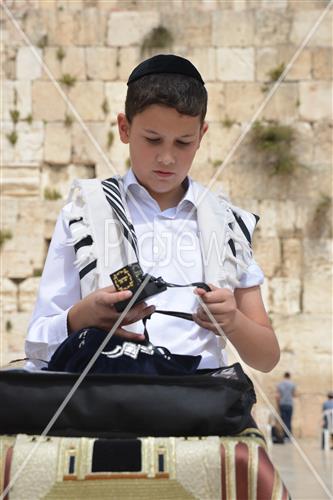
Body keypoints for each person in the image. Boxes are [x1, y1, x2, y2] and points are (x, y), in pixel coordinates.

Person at [25, 54, 280, 374]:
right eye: (153, 139)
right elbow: (37, 342)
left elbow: (266, 357)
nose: (167, 158)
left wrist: (233, 322)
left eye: (183, 142)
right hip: (108, 410)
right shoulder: (83, 214)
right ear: (124, 128)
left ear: (201, 136)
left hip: (197, 413)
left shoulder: (228, 224)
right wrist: (82, 316)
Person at [276, 372, 297, 439]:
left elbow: (278, 396)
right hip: (289, 404)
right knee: (289, 420)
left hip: (282, 404)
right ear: (289, 376)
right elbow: (294, 394)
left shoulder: (280, 384)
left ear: (284, 376)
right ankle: (288, 435)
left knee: (284, 420)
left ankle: (285, 435)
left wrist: (278, 405)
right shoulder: (292, 384)